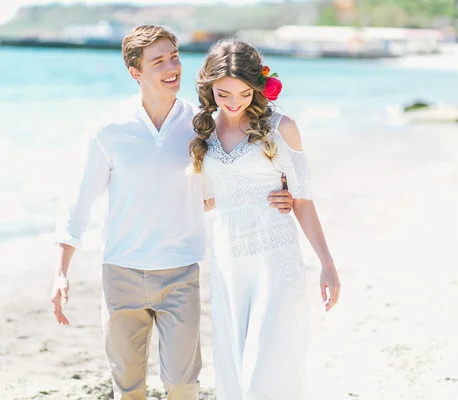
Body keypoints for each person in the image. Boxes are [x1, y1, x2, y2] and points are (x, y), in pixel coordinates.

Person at [50, 26, 294, 400]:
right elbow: (79, 200)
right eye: (159, 61)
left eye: (174, 57)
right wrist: (61, 271)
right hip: (121, 273)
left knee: (183, 384)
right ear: (136, 72)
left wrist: (280, 193)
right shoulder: (109, 130)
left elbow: (234, 175)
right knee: (128, 387)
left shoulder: (201, 125)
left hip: (180, 272)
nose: (172, 67)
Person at [189, 39, 342, 400]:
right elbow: (205, 200)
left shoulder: (281, 126)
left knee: (265, 375)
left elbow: (302, 200)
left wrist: (327, 264)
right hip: (227, 264)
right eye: (223, 93)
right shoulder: (203, 131)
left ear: (257, 86)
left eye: (243, 93)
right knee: (236, 374)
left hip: (274, 260)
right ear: (209, 86)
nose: (233, 102)